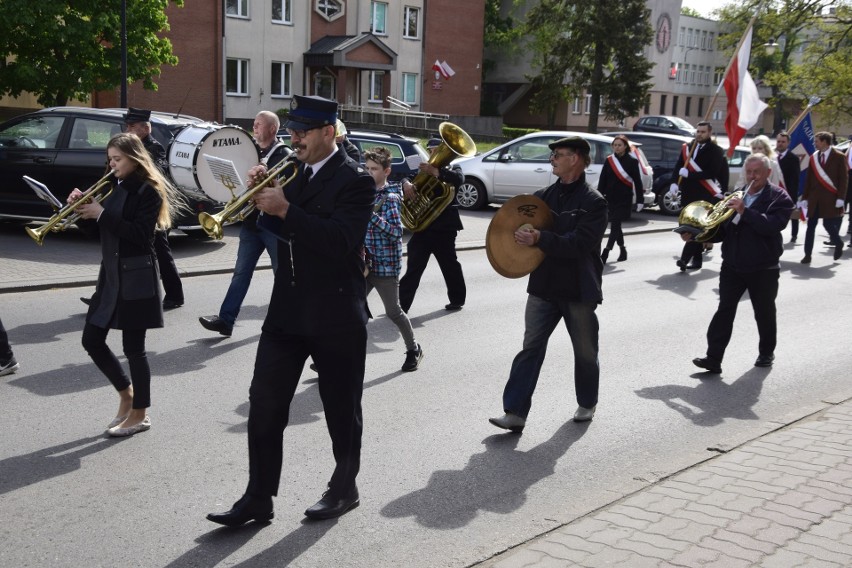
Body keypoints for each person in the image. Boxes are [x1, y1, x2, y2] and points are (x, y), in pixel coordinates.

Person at [207, 95, 375, 526]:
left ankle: (344, 487)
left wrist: (285, 208)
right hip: (287, 310)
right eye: (292, 130)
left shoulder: (355, 180)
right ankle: (258, 497)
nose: (293, 137)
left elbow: (339, 240)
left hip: (336, 311)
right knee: (264, 403)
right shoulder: (293, 172)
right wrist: (260, 199)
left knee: (341, 408)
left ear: (327, 132)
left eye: (302, 131)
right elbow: (273, 230)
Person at [489, 137, 607, 432]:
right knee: (530, 348)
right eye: (552, 154)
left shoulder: (594, 203)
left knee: (585, 351)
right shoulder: (541, 198)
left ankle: (587, 401)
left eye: (559, 154)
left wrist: (541, 238)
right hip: (543, 286)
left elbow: (579, 244)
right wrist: (517, 238)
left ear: (576, 159)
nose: (552, 159)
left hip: (577, 288)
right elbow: (521, 233)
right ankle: (515, 412)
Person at [70, 133, 181, 437]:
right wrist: (81, 211)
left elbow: (141, 236)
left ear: (134, 158)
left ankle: (140, 414)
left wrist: (102, 213)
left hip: (136, 275)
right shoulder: (111, 186)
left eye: (117, 159)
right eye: (110, 159)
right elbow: (97, 231)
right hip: (111, 275)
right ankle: (126, 395)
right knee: (91, 339)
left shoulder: (149, 192)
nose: (112, 165)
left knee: (134, 349)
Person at [688, 154, 793, 374]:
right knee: (724, 311)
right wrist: (696, 235)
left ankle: (766, 352)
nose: (752, 176)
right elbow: (721, 231)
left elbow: (771, 226)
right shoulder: (735, 196)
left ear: (768, 173)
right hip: (733, 265)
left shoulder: (779, 198)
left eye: (757, 172)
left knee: (763, 312)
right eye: (749, 172)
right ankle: (713, 358)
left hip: (763, 267)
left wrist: (745, 211)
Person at [80, 107, 185, 310]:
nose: (127, 129)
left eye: (132, 126)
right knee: (113, 250)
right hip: (125, 204)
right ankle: (101, 295)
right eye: (126, 126)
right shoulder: (122, 148)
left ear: (146, 128)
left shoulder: (154, 148)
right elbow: (110, 176)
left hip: (148, 208)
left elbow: (153, 176)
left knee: (161, 252)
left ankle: (175, 294)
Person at [199, 111, 291, 337]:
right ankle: (226, 320)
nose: (254, 127)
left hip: (272, 225)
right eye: (254, 123)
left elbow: (283, 190)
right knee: (241, 272)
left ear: (272, 129)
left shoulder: (283, 154)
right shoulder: (249, 151)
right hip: (251, 223)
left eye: (259, 124)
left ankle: (289, 320)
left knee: (283, 275)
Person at [362, 147, 423, 371]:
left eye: (374, 169)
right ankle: (332, 357)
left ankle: (413, 349)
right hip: (364, 265)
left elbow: (397, 232)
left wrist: (371, 216)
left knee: (393, 312)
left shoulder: (391, 197)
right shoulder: (364, 193)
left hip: (385, 266)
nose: (369, 172)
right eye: (367, 168)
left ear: (387, 171)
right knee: (351, 309)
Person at [398, 137, 466, 312]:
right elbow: (406, 176)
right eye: (431, 150)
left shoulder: (453, 168)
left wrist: (437, 172)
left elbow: (459, 179)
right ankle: (401, 306)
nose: (433, 153)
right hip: (424, 228)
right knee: (414, 267)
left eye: (436, 149)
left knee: (449, 265)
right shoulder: (423, 168)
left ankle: (457, 299)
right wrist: (406, 184)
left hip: (445, 228)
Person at [667, 121, 729, 271]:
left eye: (703, 132)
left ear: (709, 133)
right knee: (689, 227)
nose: (699, 134)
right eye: (698, 131)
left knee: (696, 227)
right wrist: (674, 182)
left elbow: (712, 172)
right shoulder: (688, 147)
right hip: (688, 194)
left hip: (704, 195)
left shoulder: (716, 150)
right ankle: (697, 260)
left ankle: (684, 259)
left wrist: (690, 174)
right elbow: (679, 166)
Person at [800, 131, 848, 263]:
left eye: (817, 141)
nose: (815, 143)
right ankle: (807, 255)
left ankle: (838, 243)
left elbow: (843, 179)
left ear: (825, 142)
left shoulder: (838, 156)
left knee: (828, 224)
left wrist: (841, 198)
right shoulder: (813, 157)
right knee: (811, 226)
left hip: (830, 197)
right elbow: (808, 179)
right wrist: (805, 198)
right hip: (815, 198)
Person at [598, 134, 643, 263]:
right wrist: (599, 196)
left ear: (625, 147)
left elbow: (637, 181)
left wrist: (640, 200)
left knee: (615, 224)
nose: (617, 147)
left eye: (619, 145)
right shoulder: (609, 160)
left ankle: (606, 252)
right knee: (616, 225)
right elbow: (603, 179)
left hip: (624, 198)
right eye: (615, 145)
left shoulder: (632, 161)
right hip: (610, 198)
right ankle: (622, 249)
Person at [775, 131, 802, 243]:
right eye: (778, 141)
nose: (780, 144)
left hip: (788, 191)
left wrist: (793, 197)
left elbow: (794, 180)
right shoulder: (772, 156)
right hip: (774, 191)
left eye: (783, 142)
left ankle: (794, 234)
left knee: (792, 215)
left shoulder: (793, 158)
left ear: (788, 143)